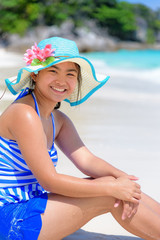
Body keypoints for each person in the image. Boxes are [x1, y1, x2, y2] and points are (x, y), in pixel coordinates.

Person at [0, 37, 160, 240]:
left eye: (70, 74)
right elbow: (50, 181)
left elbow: (87, 160)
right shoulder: (25, 113)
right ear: (35, 75)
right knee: (110, 194)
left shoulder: (57, 119)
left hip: (32, 203)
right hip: (10, 218)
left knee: (118, 186)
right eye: (53, 71)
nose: (61, 80)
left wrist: (123, 180)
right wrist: (113, 187)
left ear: (76, 81)